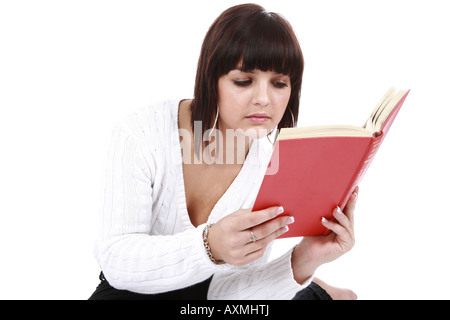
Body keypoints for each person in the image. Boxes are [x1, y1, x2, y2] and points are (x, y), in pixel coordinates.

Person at [89, 3, 358, 300]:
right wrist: (209, 245)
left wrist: (305, 259)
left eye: (279, 84)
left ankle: (319, 292)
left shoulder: (269, 168)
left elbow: (228, 297)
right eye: (243, 81)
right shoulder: (141, 132)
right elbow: (116, 260)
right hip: (131, 289)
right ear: (210, 78)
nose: (264, 99)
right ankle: (320, 294)